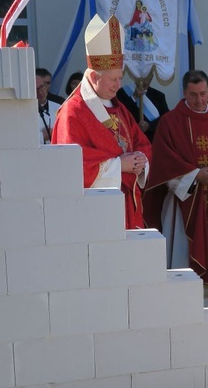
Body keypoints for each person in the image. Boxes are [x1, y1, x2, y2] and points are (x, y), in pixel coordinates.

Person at [143, 70, 208, 307]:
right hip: (184, 203)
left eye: (203, 94)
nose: (200, 100)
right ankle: (183, 302)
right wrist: (195, 175)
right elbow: (162, 163)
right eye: (193, 95)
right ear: (184, 93)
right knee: (183, 250)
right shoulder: (170, 122)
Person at [52, 14, 151, 229]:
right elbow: (71, 166)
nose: (119, 84)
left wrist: (141, 160)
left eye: (120, 77)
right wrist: (118, 166)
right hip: (93, 215)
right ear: (95, 77)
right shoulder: (73, 112)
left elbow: (141, 142)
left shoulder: (118, 107)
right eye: (113, 79)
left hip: (127, 205)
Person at [36, 72, 61, 144]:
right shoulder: (23, 112)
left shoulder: (58, 108)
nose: (40, 92)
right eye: (36, 89)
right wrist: (42, 136)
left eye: (41, 87)